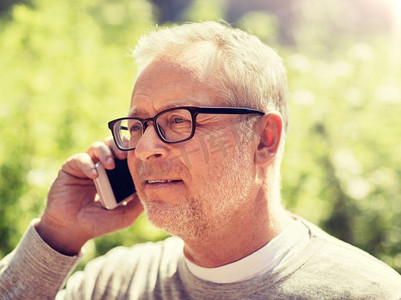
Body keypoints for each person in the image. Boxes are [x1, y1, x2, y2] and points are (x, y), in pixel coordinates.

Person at [1, 21, 401, 300]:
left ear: (265, 139)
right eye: (138, 124)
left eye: (177, 120)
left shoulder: (364, 293)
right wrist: (56, 236)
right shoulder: (113, 284)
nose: (143, 148)